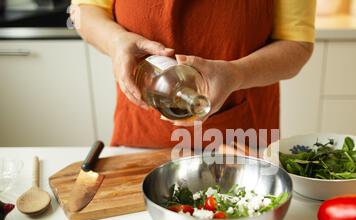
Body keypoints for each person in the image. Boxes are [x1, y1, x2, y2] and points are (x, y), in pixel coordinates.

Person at [71, 0, 316, 149]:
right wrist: (116, 41)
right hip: (141, 131)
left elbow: (297, 45)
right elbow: (83, 11)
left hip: (243, 136)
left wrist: (236, 74)